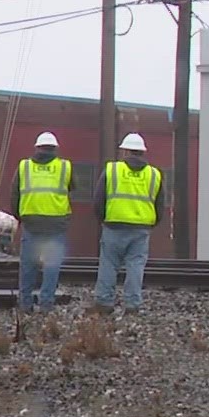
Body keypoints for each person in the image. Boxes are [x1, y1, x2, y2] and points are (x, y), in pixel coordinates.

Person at [92, 132, 164, 315]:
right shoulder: (154, 174)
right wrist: (151, 222)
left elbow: (98, 199)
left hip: (114, 225)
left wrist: (103, 219)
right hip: (140, 228)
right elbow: (160, 204)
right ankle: (132, 305)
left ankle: (104, 303)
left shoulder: (112, 170)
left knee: (108, 264)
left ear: (125, 152)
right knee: (136, 266)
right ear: (142, 152)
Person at [11, 131, 73, 313]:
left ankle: (25, 304)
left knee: (28, 265)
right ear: (55, 149)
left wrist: (19, 216)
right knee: (51, 265)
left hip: (31, 222)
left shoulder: (24, 166)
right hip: (56, 224)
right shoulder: (65, 167)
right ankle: (46, 304)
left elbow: (14, 193)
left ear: (37, 148)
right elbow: (73, 188)